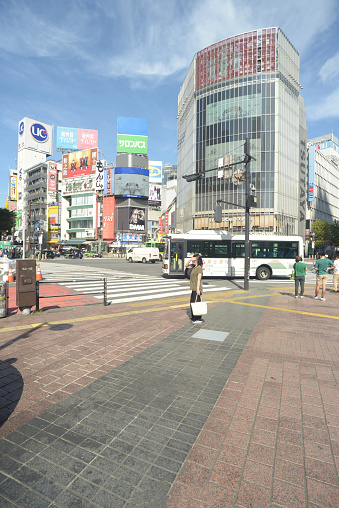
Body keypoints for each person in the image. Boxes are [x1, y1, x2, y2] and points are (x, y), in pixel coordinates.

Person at [185, 254, 203, 323]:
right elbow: (186, 266)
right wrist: (190, 260)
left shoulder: (199, 268)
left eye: (194, 257)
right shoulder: (193, 267)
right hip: (193, 288)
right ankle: (194, 317)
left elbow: (199, 279)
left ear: (197, 259)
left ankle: (197, 318)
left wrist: (198, 289)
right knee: (192, 303)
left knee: (197, 303)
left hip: (197, 288)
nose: (192, 258)